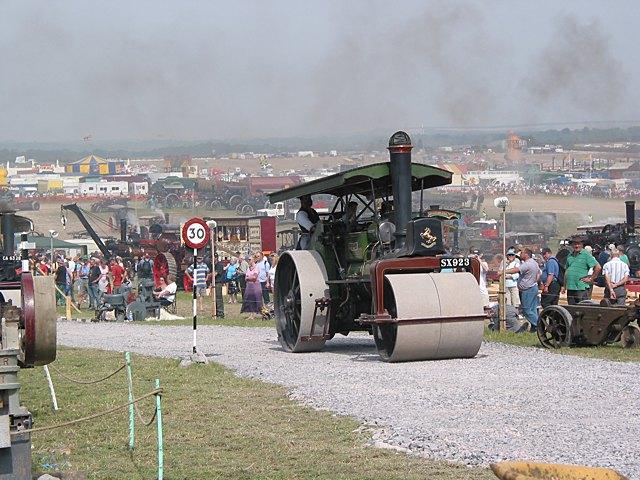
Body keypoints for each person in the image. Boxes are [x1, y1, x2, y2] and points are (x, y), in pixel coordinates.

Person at [505, 248, 541, 331]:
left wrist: (504, 271)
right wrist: (535, 280)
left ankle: (539, 325)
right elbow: (539, 273)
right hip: (532, 287)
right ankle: (534, 328)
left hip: (528, 289)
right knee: (532, 309)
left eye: (521, 253)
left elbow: (516, 270)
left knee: (526, 310)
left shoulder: (527, 264)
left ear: (526, 254)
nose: (520, 255)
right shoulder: (534, 262)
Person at [563, 239, 601, 305]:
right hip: (570, 287)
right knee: (571, 309)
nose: (577, 246)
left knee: (582, 309)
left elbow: (598, 267)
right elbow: (567, 271)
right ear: (572, 245)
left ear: (582, 245)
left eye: (578, 244)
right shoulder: (569, 256)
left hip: (581, 287)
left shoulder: (586, 254)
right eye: (575, 244)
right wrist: (564, 285)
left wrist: (591, 278)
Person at [213, 253, 225, 318]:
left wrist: (209, 275)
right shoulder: (213, 265)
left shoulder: (219, 265)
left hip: (218, 283)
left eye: (213, 257)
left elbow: (215, 274)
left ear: (216, 257)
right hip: (214, 283)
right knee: (214, 299)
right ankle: (216, 312)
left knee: (219, 298)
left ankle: (220, 313)